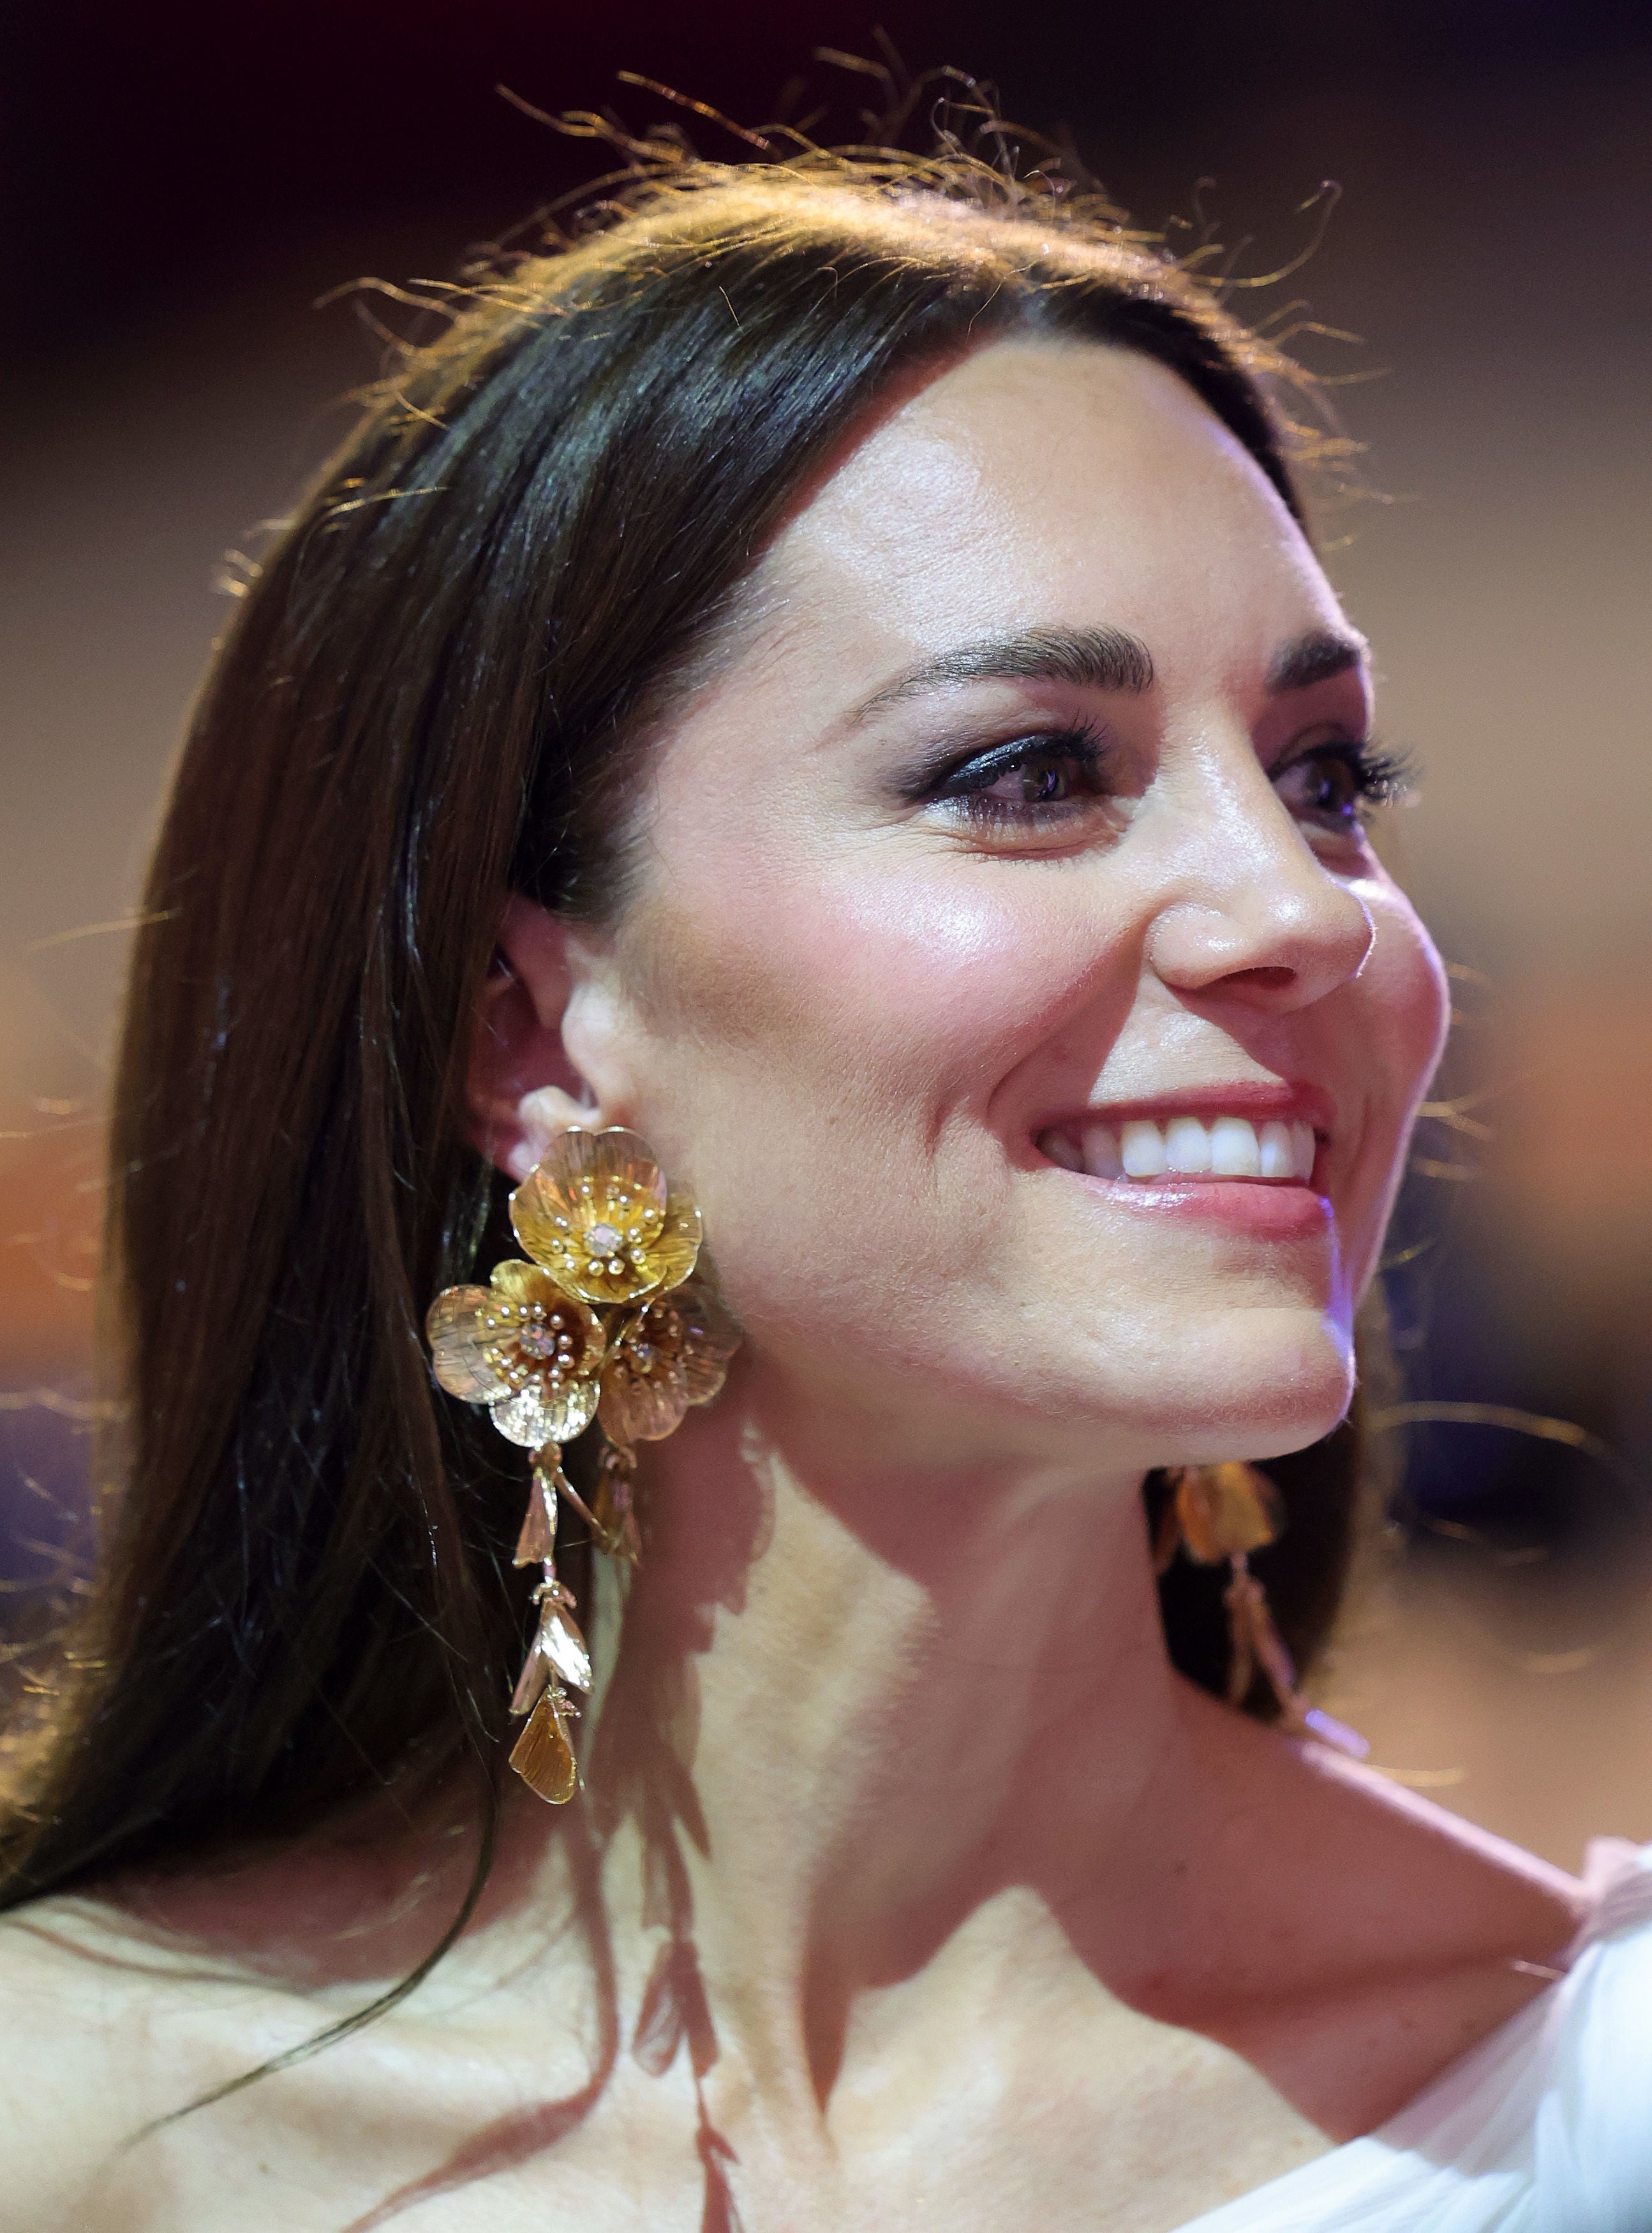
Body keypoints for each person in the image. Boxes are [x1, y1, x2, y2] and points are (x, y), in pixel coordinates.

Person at [1, 118, 1648, 2233]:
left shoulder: (1589, 2111)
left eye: (1327, 777)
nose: (1312, 911)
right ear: (530, 1029)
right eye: (1033, 771)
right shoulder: (74, 2124)